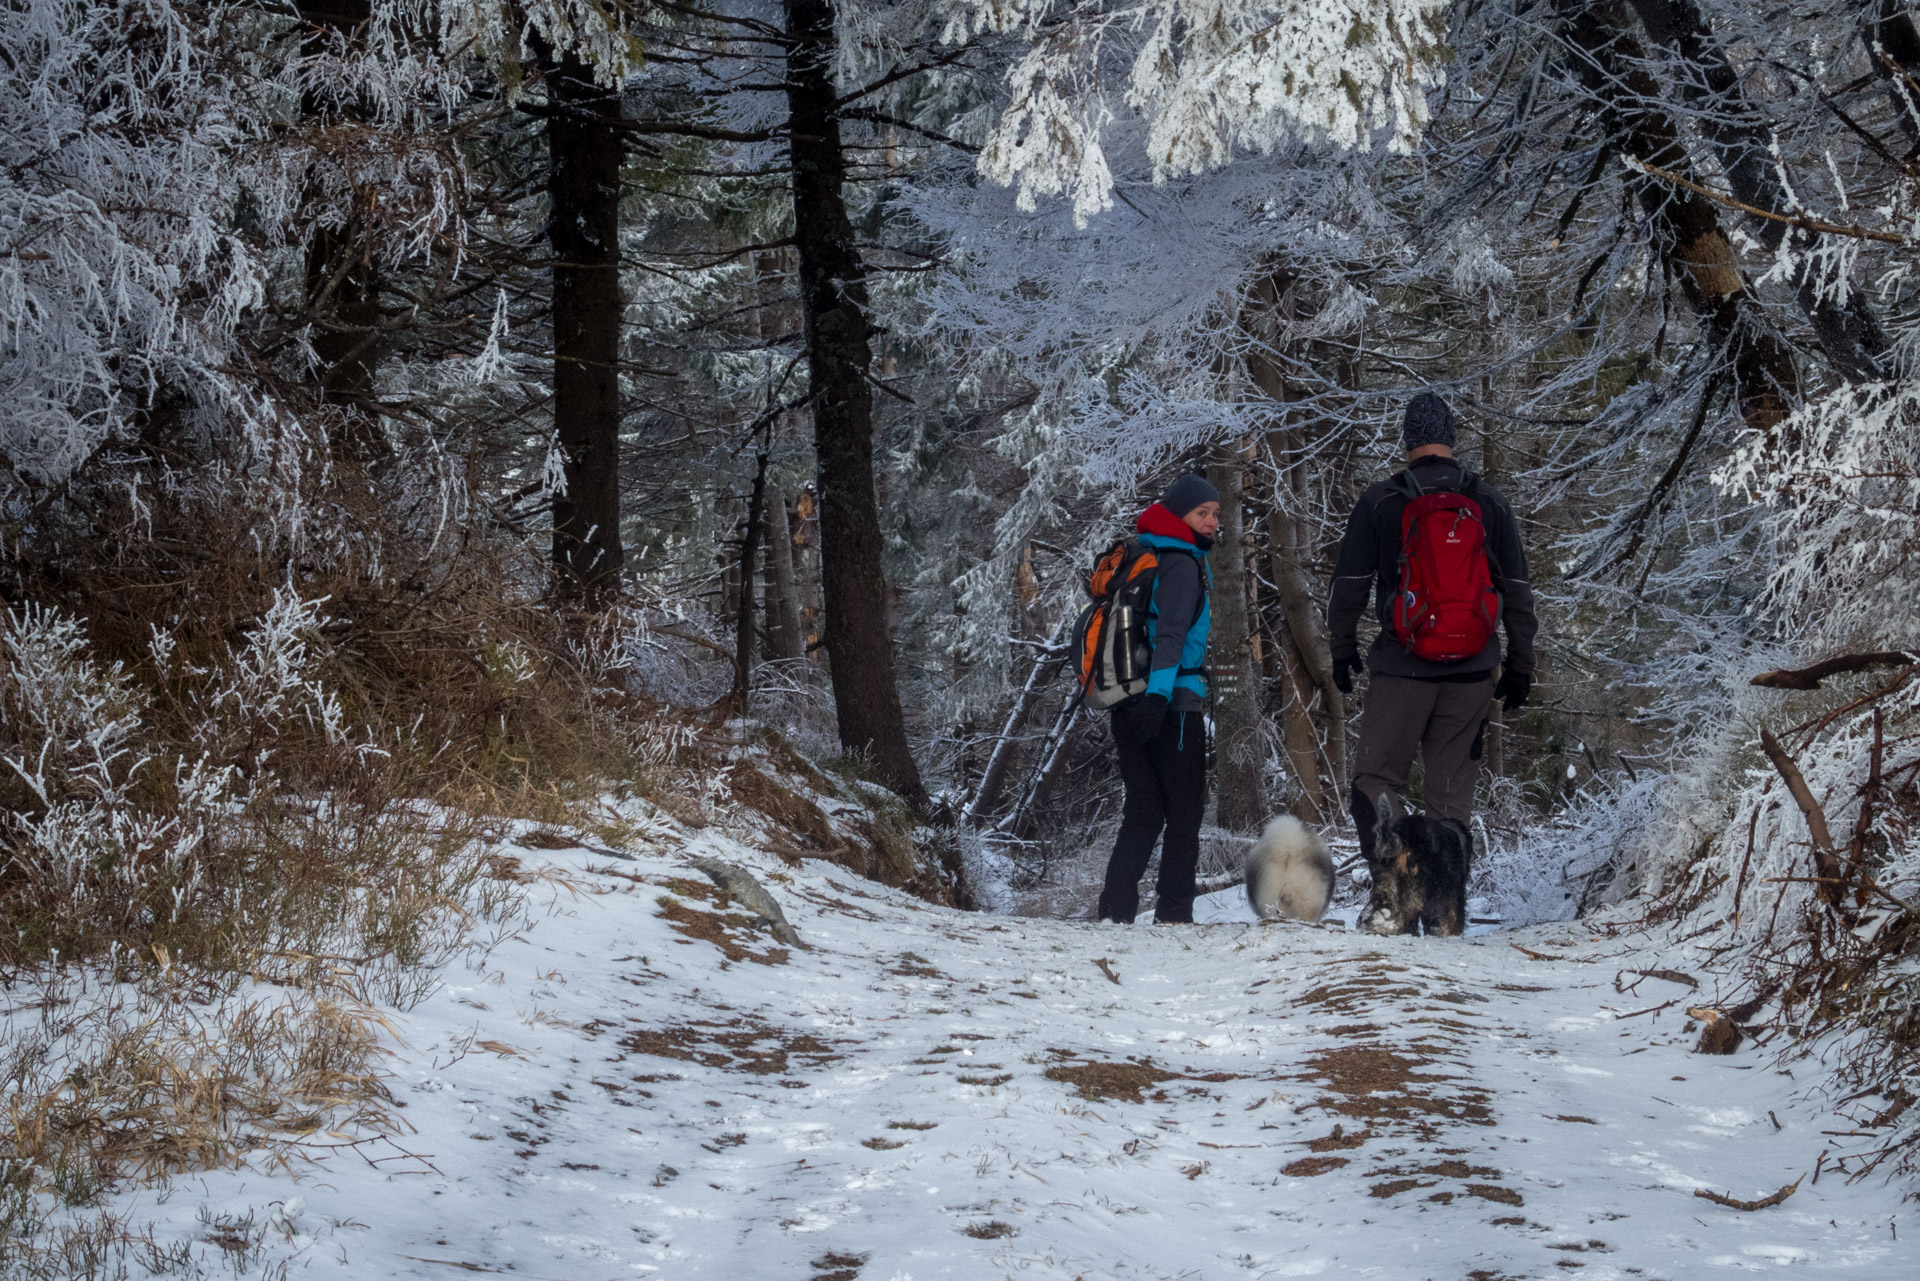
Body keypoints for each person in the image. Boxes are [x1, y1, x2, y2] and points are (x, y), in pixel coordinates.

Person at [1327, 393, 1538, 934]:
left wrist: (1342, 649)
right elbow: (1517, 591)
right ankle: (1446, 915)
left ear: (1407, 440)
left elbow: (1348, 586)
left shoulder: (1382, 502)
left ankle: (1392, 902)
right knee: (1450, 799)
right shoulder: (1488, 502)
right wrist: (1519, 665)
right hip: (1471, 672)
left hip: (1402, 669)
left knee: (1375, 779)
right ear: (1452, 437)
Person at [1096, 474, 1219, 925]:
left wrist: (1142, 700)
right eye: (1202, 513)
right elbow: (1171, 635)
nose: (1211, 522)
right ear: (1179, 515)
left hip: (1126, 699)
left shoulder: (1143, 554)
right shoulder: (1182, 564)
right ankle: (1173, 913)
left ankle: (1115, 910)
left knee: (1144, 809)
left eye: (1215, 514)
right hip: (1172, 705)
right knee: (1185, 812)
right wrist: (1161, 698)